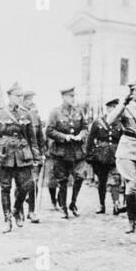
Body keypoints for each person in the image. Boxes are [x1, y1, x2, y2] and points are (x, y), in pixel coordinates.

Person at [0, 82, 39, 233]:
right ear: (9, 96)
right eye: (17, 96)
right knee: (5, 188)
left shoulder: (26, 113)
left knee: (26, 186)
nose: (19, 98)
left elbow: (32, 138)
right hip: (4, 155)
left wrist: (36, 156)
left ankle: (17, 209)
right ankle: (7, 219)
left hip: (23, 155)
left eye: (21, 96)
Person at [106, 79, 136, 233]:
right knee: (132, 183)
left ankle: (133, 210)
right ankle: (130, 220)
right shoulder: (125, 108)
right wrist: (123, 104)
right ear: (131, 92)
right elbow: (109, 120)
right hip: (126, 149)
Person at [46, 87, 88, 219]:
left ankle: (73, 203)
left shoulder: (79, 111)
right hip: (61, 151)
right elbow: (49, 131)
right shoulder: (55, 112)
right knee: (62, 180)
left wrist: (81, 135)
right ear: (63, 97)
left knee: (80, 176)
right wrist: (64, 137)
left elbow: (85, 128)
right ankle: (63, 207)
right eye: (70, 96)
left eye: (73, 96)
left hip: (77, 151)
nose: (72, 98)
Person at [86, 98, 124, 215]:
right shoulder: (98, 122)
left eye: (115, 109)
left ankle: (116, 204)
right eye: (111, 108)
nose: (113, 111)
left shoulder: (120, 124)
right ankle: (101, 204)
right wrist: (89, 155)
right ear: (107, 109)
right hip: (100, 157)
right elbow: (90, 139)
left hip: (115, 155)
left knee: (115, 180)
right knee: (102, 182)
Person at [15, 90, 45, 223]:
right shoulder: (16, 116)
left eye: (31, 100)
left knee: (33, 183)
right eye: (27, 100)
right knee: (21, 185)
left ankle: (31, 211)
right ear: (21, 100)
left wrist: (41, 154)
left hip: (34, 156)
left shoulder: (35, 116)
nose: (30, 102)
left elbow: (39, 138)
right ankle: (19, 208)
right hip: (20, 156)